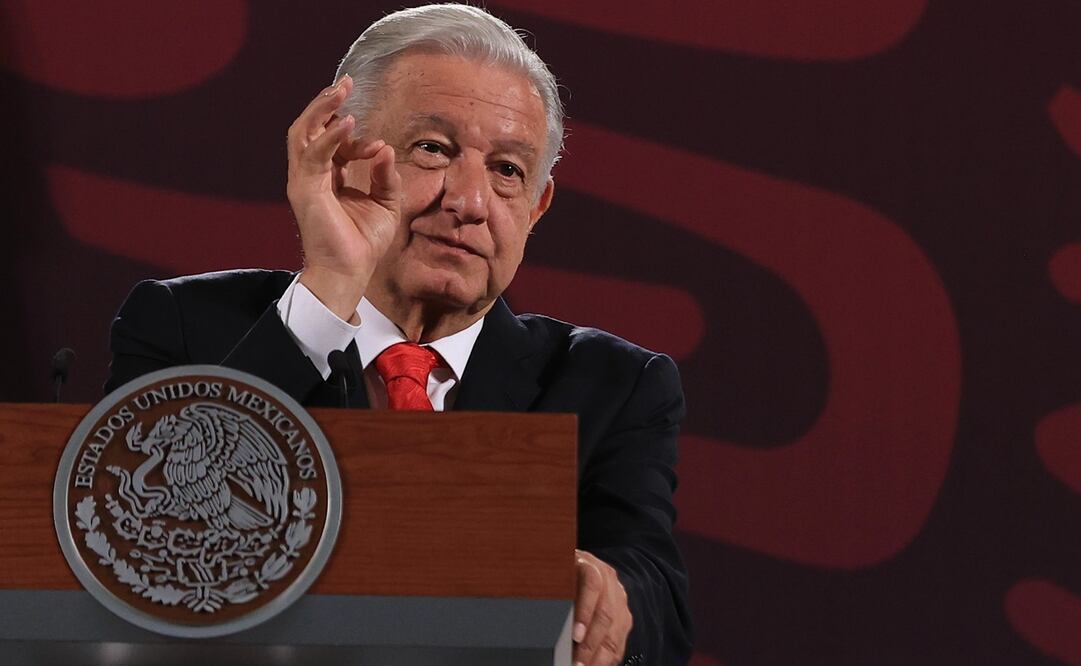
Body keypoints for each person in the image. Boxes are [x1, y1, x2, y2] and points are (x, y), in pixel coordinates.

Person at [106, 4, 691, 664]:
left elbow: (656, 601)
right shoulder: (184, 329)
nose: (469, 202)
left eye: (506, 170)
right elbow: (132, 542)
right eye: (434, 150)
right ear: (339, 154)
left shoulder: (611, 386)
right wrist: (331, 280)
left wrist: (609, 591)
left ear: (537, 207)